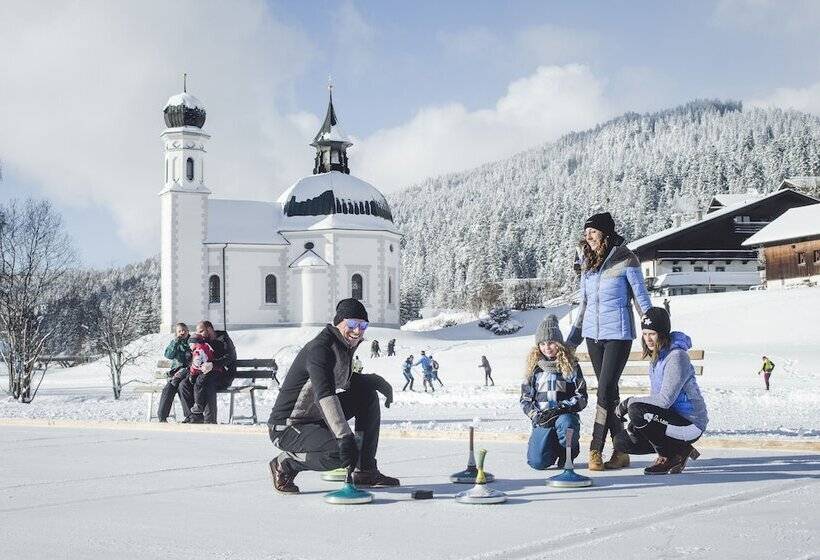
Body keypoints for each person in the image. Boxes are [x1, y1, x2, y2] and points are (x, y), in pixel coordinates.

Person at [267, 298, 398, 495]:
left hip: (314, 419)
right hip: (287, 427)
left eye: (363, 325)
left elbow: (342, 380)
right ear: (339, 322)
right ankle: (285, 463)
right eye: (352, 324)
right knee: (340, 451)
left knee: (367, 396)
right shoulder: (320, 349)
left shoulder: (342, 345)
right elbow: (325, 394)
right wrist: (344, 437)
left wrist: (374, 381)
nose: (358, 330)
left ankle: (365, 470)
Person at [567, 211, 652, 471]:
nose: (588, 236)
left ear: (605, 232)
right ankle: (621, 451)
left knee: (603, 390)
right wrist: (574, 338)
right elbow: (585, 302)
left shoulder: (626, 257)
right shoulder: (588, 261)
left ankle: (595, 449)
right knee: (610, 393)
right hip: (593, 335)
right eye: (586, 232)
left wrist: (652, 328)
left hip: (619, 334)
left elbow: (641, 297)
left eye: (592, 231)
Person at [613, 307, 708, 474]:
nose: (648, 339)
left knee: (637, 410)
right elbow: (655, 400)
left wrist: (629, 402)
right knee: (622, 441)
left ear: (662, 333)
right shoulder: (656, 358)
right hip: (670, 420)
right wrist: (638, 425)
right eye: (645, 334)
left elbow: (664, 401)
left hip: (690, 423)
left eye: (652, 334)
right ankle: (680, 449)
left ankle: (668, 456)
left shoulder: (676, 357)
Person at [521, 315, 588, 469]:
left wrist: (562, 408)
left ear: (558, 343)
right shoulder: (534, 369)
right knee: (537, 463)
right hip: (543, 420)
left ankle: (567, 452)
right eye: (542, 344)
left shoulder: (570, 366)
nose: (547, 347)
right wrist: (537, 416)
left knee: (566, 422)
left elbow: (582, 396)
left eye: (551, 343)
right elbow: (525, 399)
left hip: (563, 417)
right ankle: (551, 449)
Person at [178, 321, 237, 424]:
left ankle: (210, 419)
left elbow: (230, 357)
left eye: (201, 331)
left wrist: (214, 364)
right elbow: (194, 354)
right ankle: (193, 416)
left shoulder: (224, 340)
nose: (199, 334)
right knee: (184, 384)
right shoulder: (202, 341)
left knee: (208, 383)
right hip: (204, 374)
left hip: (223, 374)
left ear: (209, 329)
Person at [157, 322, 192, 422]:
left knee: (180, 385)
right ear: (176, 333)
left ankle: (189, 416)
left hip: (188, 372)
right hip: (176, 373)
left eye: (184, 330)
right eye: (179, 331)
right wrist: (175, 342)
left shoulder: (192, 342)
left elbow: (193, 357)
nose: (182, 332)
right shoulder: (175, 343)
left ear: (188, 331)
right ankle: (162, 417)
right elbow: (168, 355)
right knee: (169, 387)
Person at [186, 334, 216, 422]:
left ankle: (199, 406)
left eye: (190, 344)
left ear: (194, 343)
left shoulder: (198, 351)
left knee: (198, 385)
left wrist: (192, 374)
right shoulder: (206, 346)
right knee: (202, 385)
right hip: (211, 371)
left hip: (206, 371)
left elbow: (196, 364)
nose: (190, 347)